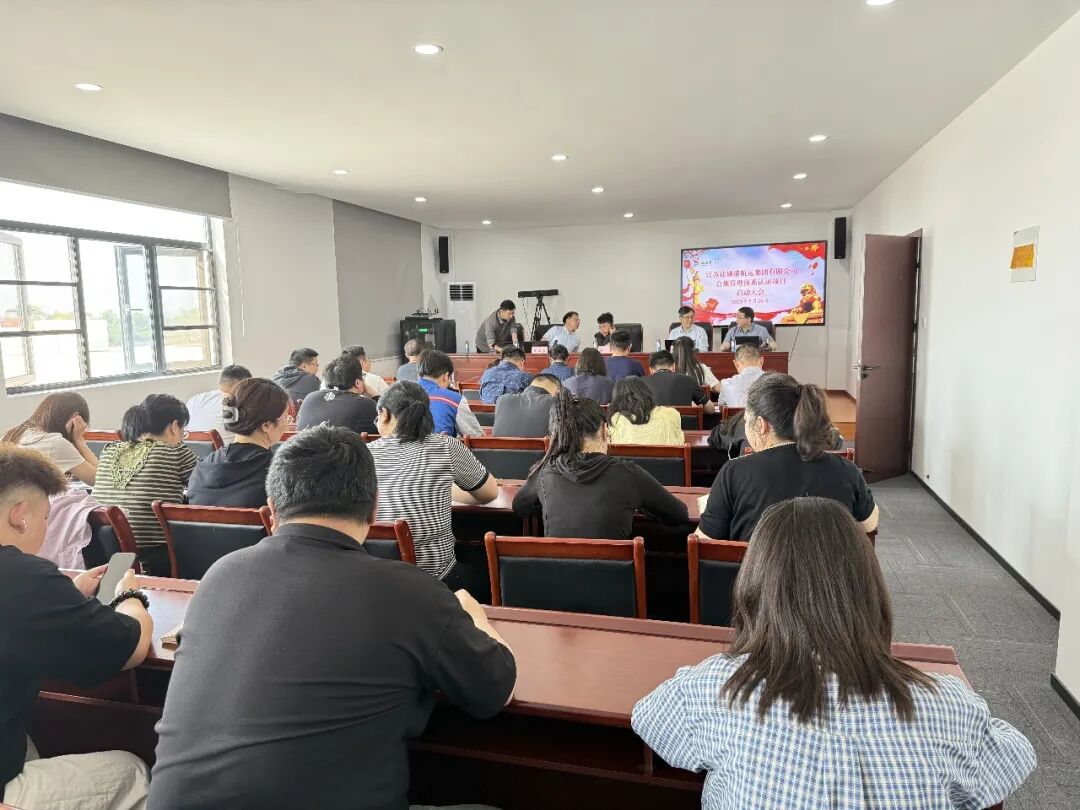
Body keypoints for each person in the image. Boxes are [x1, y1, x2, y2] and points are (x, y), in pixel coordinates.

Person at [148, 425, 516, 810]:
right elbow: (494, 692)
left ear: (271, 510)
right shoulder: (410, 591)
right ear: (374, 507)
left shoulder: (219, 575)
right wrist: (476, 616)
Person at [633, 497, 1035, 809]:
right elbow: (1012, 755)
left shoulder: (720, 689)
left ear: (756, 588)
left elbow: (649, 715)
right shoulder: (946, 704)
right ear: (868, 587)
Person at [0, 445, 154, 810]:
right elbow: (132, 648)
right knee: (131, 771)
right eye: (45, 518)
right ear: (20, 516)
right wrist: (129, 595)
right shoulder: (22, 577)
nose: (45, 529)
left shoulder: (26, 587)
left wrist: (64, 593)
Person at [697, 374, 878, 541]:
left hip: (758, 567)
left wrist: (714, 508)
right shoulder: (846, 470)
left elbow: (705, 541)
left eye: (746, 420)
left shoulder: (734, 473)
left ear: (761, 425)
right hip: (829, 567)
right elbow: (870, 524)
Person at [513, 390, 689, 538]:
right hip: (615, 570)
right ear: (605, 430)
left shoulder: (546, 471)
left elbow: (520, 506)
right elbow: (679, 515)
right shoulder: (629, 474)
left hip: (556, 569)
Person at [369, 383, 498, 583]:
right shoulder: (446, 446)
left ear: (384, 414)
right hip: (438, 579)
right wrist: (445, 490)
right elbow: (489, 493)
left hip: (376, 578)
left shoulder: (364, 453)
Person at [92, 394, 198, 575]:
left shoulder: (110, 450)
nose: (182, 438)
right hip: (155, 558)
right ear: (174, 427)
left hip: (105, 554)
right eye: (183, 432)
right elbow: (205, 484)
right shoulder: (175, 451)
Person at [187, 378, 290, 508]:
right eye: (286, 417)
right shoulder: (281, 473)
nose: (287, 425)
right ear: (266, 425)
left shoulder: (200, 470)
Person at [1, 392, 98, 485]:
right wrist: (79, 439)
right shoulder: (55, 443)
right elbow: (101, 482)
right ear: (75, 418)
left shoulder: (11, 434)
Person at [297, 355, 378, 435]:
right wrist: (375, 396)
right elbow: (384, 426)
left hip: (305, 443)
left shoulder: (309, 398)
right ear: (358, 383)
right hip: (344, 444)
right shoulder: (366, 404)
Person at [417, 350, 483, 438]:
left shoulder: (402, 392)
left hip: (402, 446)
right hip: (439, 446)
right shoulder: (455, 399)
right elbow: (475, 435)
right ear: (445, 376)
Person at [185, 364, 252, 444]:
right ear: (244, 386)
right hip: (226, 451)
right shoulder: (236, 405)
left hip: (192, 451)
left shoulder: (193, 400)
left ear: (220, 383)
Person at [608, 377, 684, 446]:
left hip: (627, 457)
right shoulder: (671, 414)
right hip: (666, 457)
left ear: (617, 399)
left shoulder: (615, 420)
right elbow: (680, 443)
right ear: (647, 392)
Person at [645, 350, 715, 414]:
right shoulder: (688, 380)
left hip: (653, 424)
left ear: (650, 370)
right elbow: (710, 409)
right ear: (673, 366)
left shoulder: (641, 383)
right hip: (683, 424)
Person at [493, 374, 562, 438]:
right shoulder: (556, 402)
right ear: (557, 391)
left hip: (499, 447)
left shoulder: (502, 399)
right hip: (541, 447)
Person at [718, 343, 766, 408]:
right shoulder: (776, 381)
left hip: (737, 415)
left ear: (736, 364)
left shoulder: (726, 384)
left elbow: (721, 408)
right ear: (761, 361)